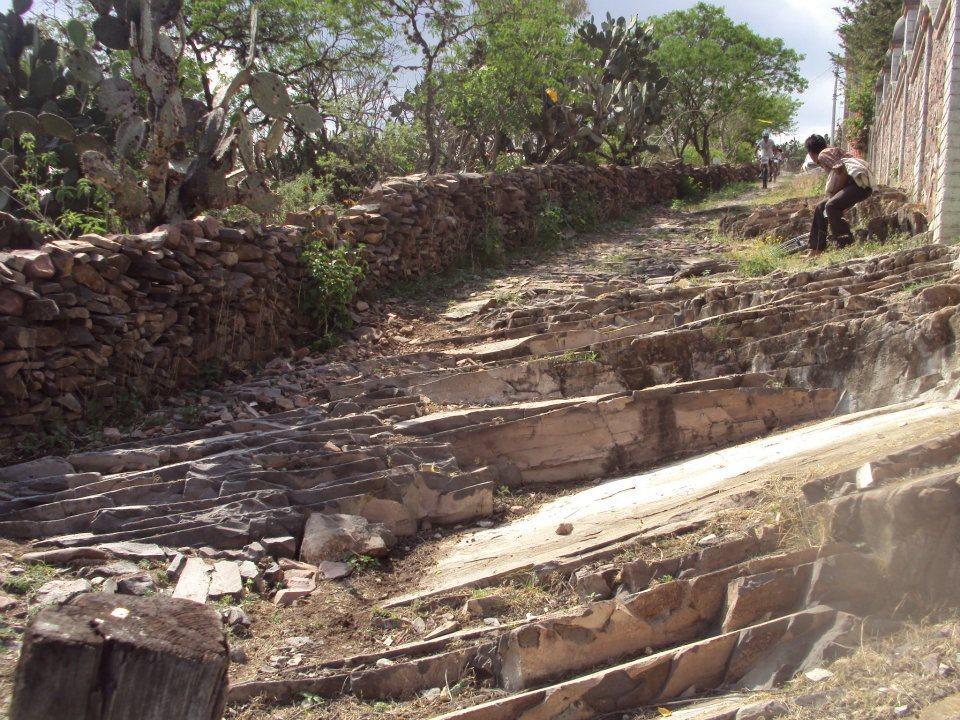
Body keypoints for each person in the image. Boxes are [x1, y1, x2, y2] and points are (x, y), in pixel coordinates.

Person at [804, 133, 874, 255]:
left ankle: (846, 244)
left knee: (831, 205)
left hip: (858, 185)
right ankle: (816, 249)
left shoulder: (823, 154)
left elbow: (841, 171)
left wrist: (834, 194)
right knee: (821, 208)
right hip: (858, 185)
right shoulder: (831, 151)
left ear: (810, 153)